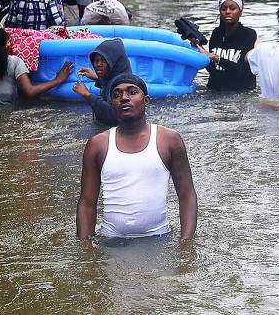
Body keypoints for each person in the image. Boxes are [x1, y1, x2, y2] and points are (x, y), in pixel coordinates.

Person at [76, 74, 197, 244]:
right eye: (116, 95)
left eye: (132, 92)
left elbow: (187, 195)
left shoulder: (169, 140)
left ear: (146, 100)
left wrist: (186, 242)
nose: (124, 98)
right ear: (112, 104)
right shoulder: (97, 144)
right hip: (111, 241)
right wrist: (85, 247)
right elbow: (87, 202)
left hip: (159, 240)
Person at [0, 23, 73, 109]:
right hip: (7, 112)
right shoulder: (15, 62)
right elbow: (30, 91)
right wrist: (58, 80)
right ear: (6, 45)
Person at [190, 0, 257, 92]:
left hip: (240, 92)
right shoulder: (216, 33)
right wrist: (199, 48)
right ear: (220, 12)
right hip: (215, 91)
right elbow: (212, 69)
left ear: (240, 12)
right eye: (224, 8)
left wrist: (215, 57)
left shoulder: (249, 34)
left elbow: (241, 71)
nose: (228, 12)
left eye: (232, 8)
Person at [71, 38, 132, 125]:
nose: (99, 64)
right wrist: (97, 78)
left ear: (115, 63)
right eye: (96, 61)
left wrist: (87, 94)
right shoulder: (119, 76)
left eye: (104, 61)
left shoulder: (123, 84)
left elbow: (114, 116)